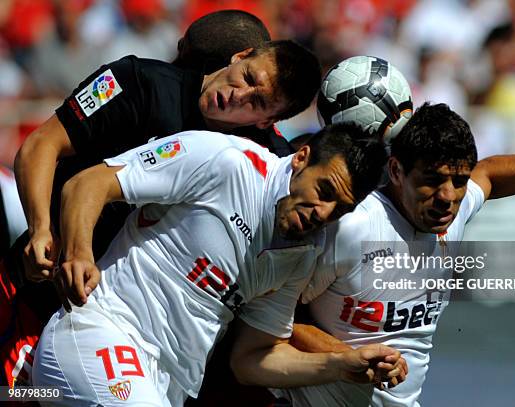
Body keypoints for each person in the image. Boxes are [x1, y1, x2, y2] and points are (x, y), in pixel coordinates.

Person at [2, 15, 320, 385]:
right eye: (248, 77)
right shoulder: (135, 82)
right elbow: (42, 145)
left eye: (258, 102)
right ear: (241, 56)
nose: (238, 95)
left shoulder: (266, 167)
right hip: (34, 297)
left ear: (269, 121)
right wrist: (42, 228)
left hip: (128, 342)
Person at [31, 123, 404, 406]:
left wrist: (341, 365)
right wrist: (78, 253)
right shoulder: (224, 160)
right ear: (302, 157)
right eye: (323, 192)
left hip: (166, 384)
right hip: (100, 332)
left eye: (340, 209)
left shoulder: (302, 255)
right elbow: (89, 183)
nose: (322, 213)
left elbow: (253, 359)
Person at [274, 102, 515, 406]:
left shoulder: (452, 209)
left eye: (459, 181)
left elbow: (489, 172)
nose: (447, 196)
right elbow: (274, 320)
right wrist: (349, 357)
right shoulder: (349, 227)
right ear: (395, 171)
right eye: (431, 180)